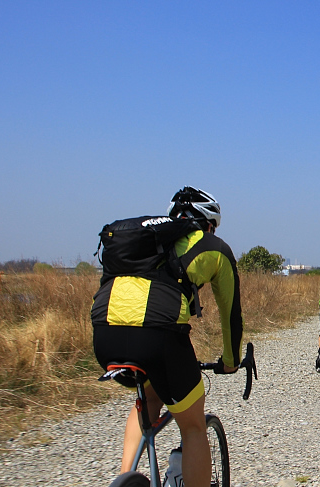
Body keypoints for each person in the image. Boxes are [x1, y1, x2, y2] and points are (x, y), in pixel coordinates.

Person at [91, 186, 244, 487]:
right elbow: (231, 314)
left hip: (104, 335)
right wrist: (230, 361)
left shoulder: (141, 243)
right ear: (208, 223)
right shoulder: (213, 246)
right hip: (159, 339)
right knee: (193, 427)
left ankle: (125, 478)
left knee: (148, 399)